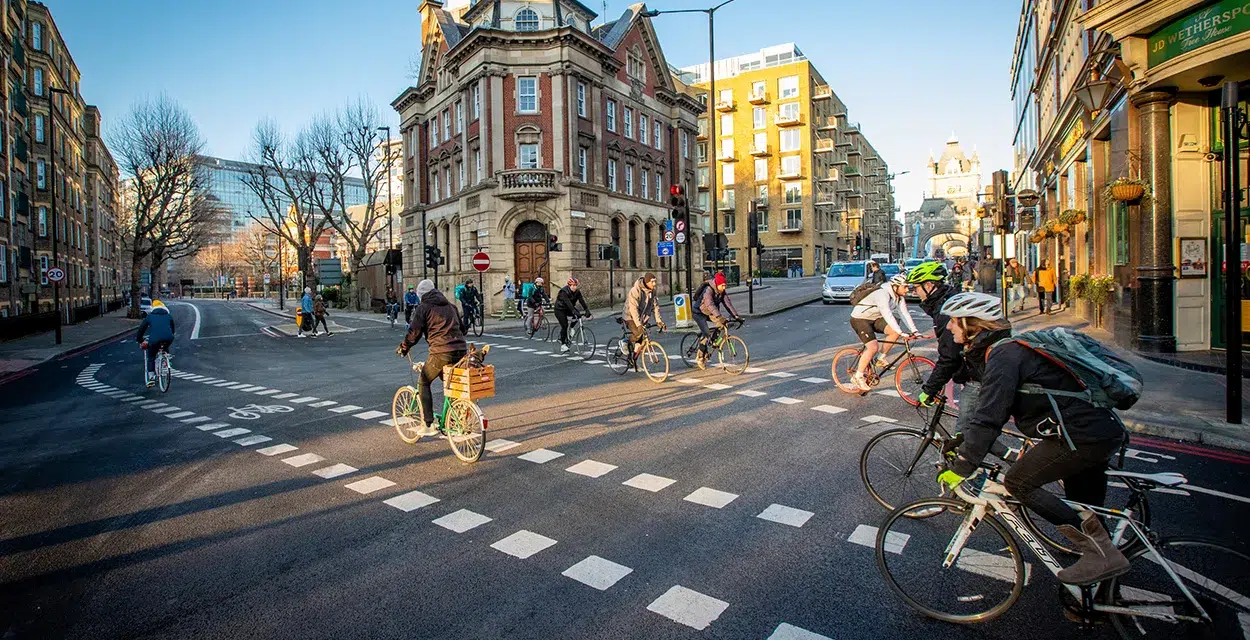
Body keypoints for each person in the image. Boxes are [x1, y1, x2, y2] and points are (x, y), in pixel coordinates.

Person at [938, 296, 1129, 587]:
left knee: (1018, 482)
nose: (949, 327)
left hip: (1080, 437)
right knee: (1085, 511)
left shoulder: (1003, 356)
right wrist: (966, 440)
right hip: (1094, 432)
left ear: (971, 325)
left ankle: (1100, 555)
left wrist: (963, 464)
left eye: (954, 321)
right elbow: (992, 414)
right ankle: (1099, 593)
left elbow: (990, 416)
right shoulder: (1006, 351)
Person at [396, 279, 468, 437]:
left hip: (441, 352)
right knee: (452, 384)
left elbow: (414, 333)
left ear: (421, 295)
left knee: (424, 381)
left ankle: (428, 424)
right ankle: (455, 418)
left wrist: (404, 347)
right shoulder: (451, 306)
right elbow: (463, 329)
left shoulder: (424, 308)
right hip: (461, 350)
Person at [850, 273, 921, 391]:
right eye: (905, 287)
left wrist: (915, 331)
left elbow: (904, 314)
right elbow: (887, 313)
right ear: (895, 286)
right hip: (860, 319)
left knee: (894, 332)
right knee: (872, 347)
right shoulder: (882, 293)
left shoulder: (899, 297)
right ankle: (858, 376)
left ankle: (880, 358)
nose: (907, 289)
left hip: (874, 318)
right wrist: (902, 331)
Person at [905, 262, 959, 408]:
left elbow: (949, 356)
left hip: (980, 376)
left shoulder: (945, 309)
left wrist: (929, 390)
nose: (914, 292)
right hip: (981, 370)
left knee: (968, 425)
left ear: (928, 285)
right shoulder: (948, 298)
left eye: (916, 287)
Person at [693, 272, 742, 369]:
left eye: (725, 285)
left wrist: (736, 316)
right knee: (706, 333)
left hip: (710, 312)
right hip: (699, 312)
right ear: (717, 284)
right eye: (722, 285)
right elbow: (709, 304)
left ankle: (712, 342)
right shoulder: (708, 290)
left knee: (721, 324)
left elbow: (728, 304)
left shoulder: (722, 292)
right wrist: (719, 316)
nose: (724, 288)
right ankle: (700, 357)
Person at [623, 272, 665, 359]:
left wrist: (659, 321)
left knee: (641, 340)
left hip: (642, 317)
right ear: (647, 282)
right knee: (638, 333)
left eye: (655, 281)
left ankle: (633, 360)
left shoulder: (652, 291)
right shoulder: (635, 291)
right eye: (652, 282)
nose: (654, 284)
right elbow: (633, 309)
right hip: (629, 316)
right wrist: (638, 324)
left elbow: (655, 306)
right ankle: (625, 341)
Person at [136, 300, 176, 387]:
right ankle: (166, 360)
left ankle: (151, 377)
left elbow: (141, 329)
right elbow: (172, 329)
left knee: (151, 356)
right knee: (165, 346)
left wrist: (140, 340)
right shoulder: (168, 316)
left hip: (154, 339)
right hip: (169, 338)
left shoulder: (150, 317)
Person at [554, 277, 592, 352]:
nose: (575, 287)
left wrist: (587, 310)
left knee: (577, 317)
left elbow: (581, 300)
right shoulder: (563, 292)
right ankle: (563, 345)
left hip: (568, 308)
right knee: (564, 325)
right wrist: (574, 311)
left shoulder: (577, 292)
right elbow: (568, 302)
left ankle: (571, 328)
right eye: (573, 285)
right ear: (569, 285)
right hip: (560, 309)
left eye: (576, 285)